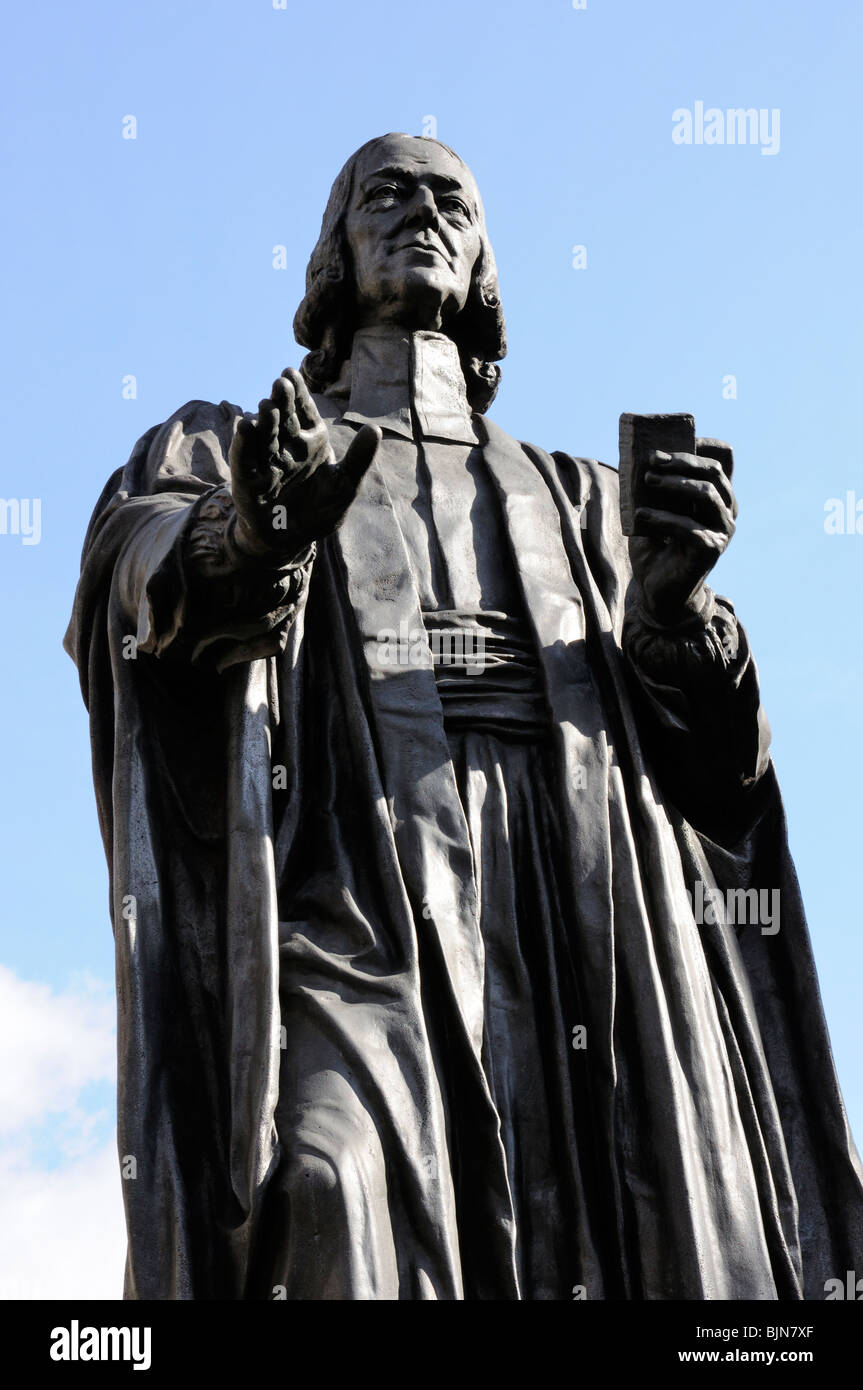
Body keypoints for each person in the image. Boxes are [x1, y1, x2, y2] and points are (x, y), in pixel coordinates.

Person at [66, 133, 863, 1300]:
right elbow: (138, 577)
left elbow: (722, 782)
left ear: (485, 261)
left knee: (634, 1222)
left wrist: (670, 610)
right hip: (357, 902)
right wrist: (250, 531)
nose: (420, 213)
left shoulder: (586, 498)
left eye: (452, 200)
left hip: (587, 903)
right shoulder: (240, 441)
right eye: (382, 194)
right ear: (331, 250)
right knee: (327, 1185)